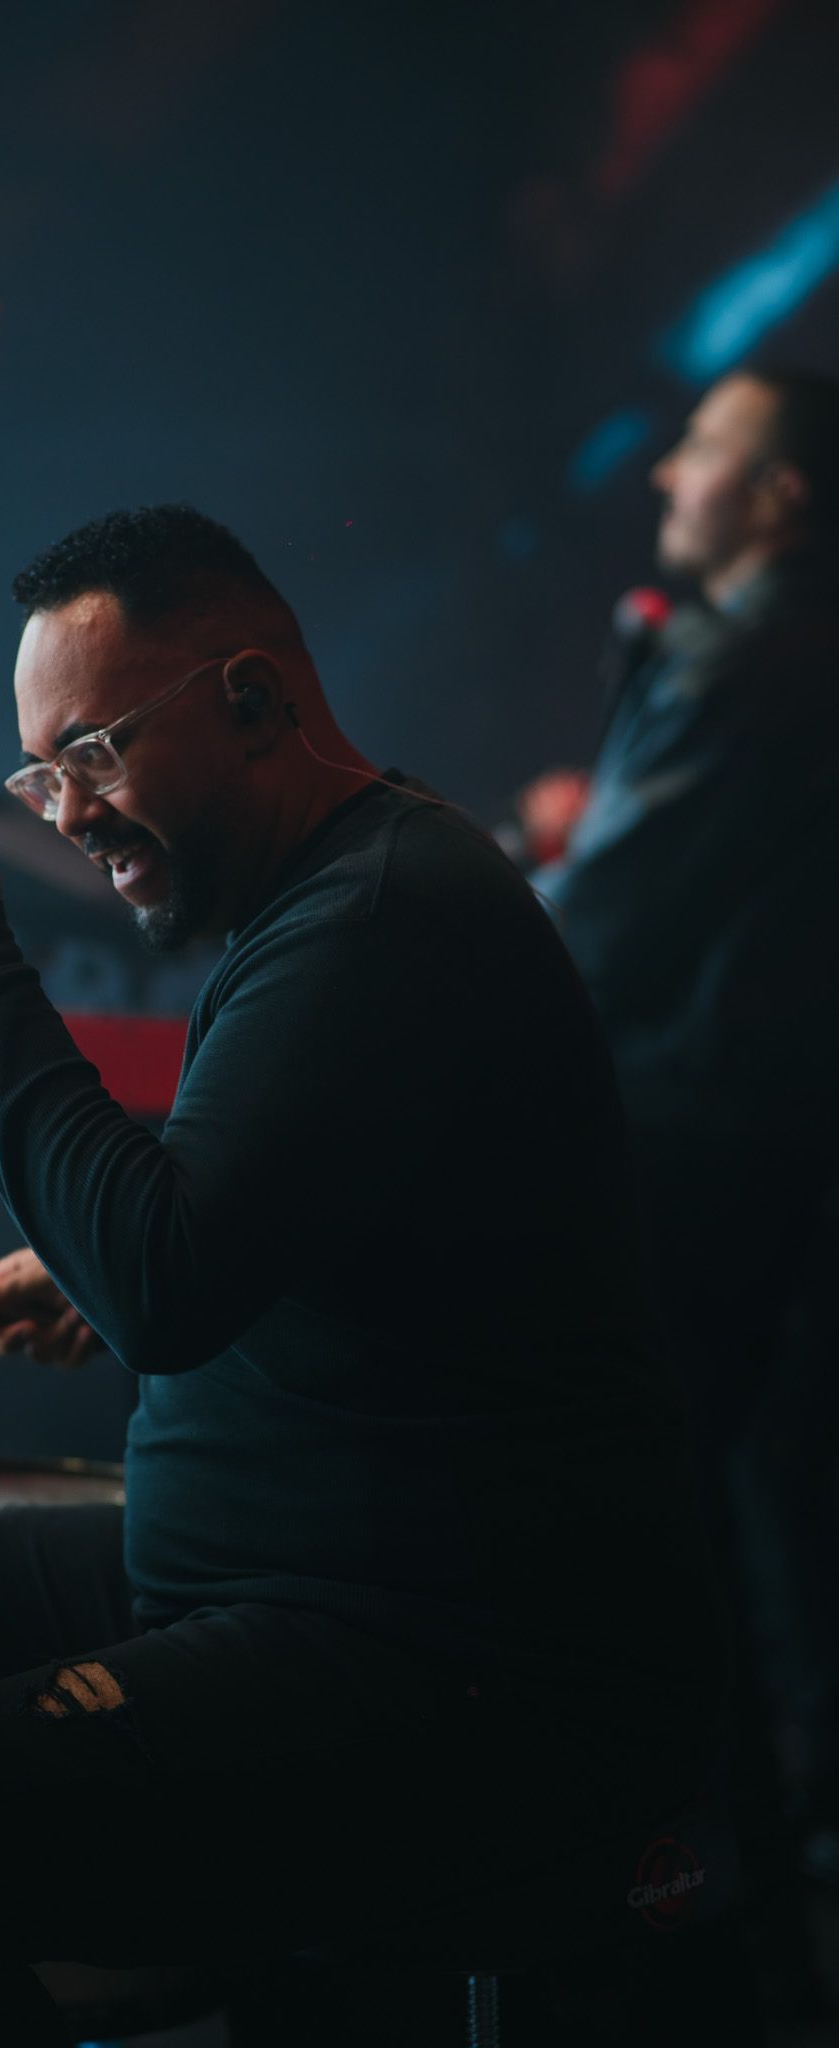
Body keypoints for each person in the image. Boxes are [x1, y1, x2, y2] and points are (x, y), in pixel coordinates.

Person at [0, 506, 729, 2045]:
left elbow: (171, 1283)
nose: (65, 815)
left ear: (252, 699)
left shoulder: (386, 910)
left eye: (93, 757)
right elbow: (256, 1238)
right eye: (41, 775)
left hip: (429, 1663)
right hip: (264, 1577)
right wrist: (102, 1264)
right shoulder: (328, 897)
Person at [519, 367, 839, 2012]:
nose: (664, 473)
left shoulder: (750, 651)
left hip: (692, 1157)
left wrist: (508, 899)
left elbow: (601, 940)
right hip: (764, 1153)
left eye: (705, 450)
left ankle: (688, 1950)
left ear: (780, 497)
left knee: (671, 1551)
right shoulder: (770, 645)